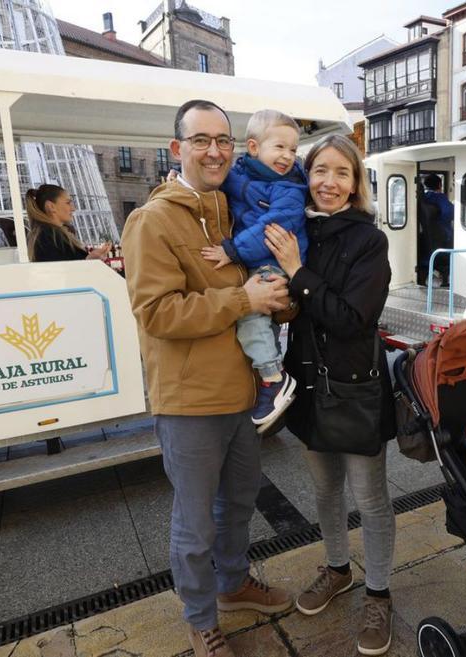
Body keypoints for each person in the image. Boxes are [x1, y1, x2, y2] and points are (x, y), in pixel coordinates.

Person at [120, 99, 293, 657]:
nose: (214, 150)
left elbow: (258, 288)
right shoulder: (151, 220)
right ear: (177, 149)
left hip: (242, 393)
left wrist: (278, 300)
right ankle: (199, 617)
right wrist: (243, 297)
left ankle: (234, 584)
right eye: (200, 140)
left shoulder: (228, 207)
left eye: (222, 139)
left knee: (238, 502)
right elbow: (158, 313)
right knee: (194, 523)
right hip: (189, 398)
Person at [265, 135, 397, 656]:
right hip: (308, 386)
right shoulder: (299, 229)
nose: (329, 182)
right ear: (307, 175)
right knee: (324, 492)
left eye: (342, 173)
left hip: (356, 388)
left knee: (370, 499)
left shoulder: (369, 241)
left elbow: (350, 318)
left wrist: (297, 272)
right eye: (321, 171)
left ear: (356, 183)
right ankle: (338, 568)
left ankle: (379, 593)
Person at [202, 110, 307, 430]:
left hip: (272, 261)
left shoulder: (289, 190)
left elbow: (270, 227)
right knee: (257, 321)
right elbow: (211, 176)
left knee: (250, 314)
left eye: (292, 149)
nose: (287, 156)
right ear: (253, 147)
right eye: (280, 147)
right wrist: (177, 173)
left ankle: (273, 377)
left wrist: (233, 249)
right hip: (255, 259)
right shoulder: (241, 174)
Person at [25, 184, 111, 262]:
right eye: (68, 203)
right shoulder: (49, 236)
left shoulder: (43, 234)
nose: (73, 208)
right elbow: (63, 272)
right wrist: (89, 259)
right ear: (51, 206)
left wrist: (90, 258)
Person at [421, 173, 454, 285]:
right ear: (440, 185)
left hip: (429, 237)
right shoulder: (440, 198)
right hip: (444, 236)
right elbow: (450, 213)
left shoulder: (423, 198)